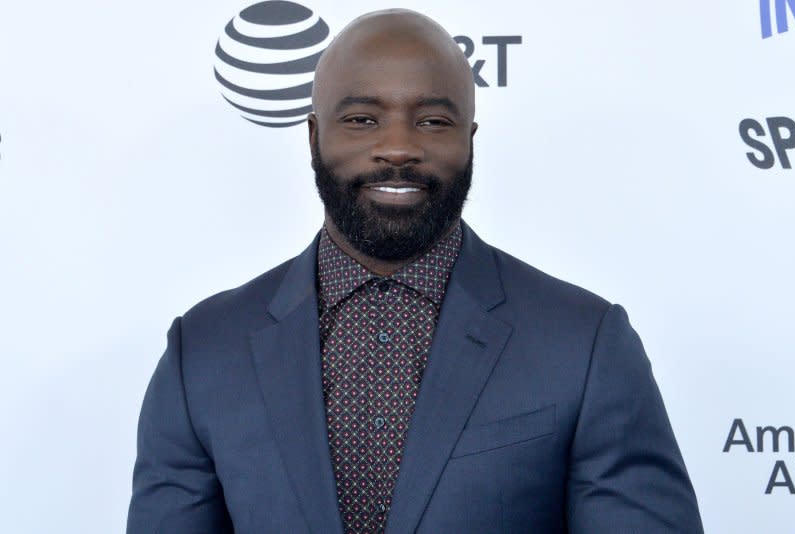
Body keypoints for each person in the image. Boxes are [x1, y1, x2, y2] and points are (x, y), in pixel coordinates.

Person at [127, 8, 704, 534]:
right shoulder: (202, 352)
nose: (398, 147)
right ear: (312, 136)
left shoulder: (585, 344)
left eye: (432, 121)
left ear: (469, 141)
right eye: (361, 119)